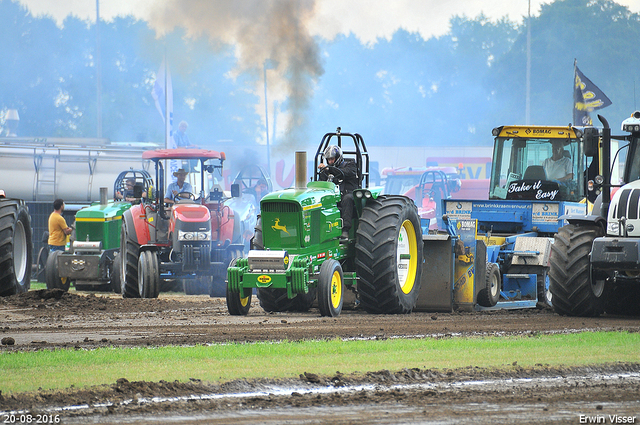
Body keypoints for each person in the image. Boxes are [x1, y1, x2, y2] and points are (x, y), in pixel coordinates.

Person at [318, 145, 358, 241]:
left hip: (349, 195)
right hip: (333, 195)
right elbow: (320, 184)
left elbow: (344, 173)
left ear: (338, 158)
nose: (330, 162)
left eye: (332, 159)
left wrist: (328, 169)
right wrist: (324, 172)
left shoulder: (351, 165)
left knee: (347, 199)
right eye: (328, 160)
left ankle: (345, 230)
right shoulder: (326, 170)